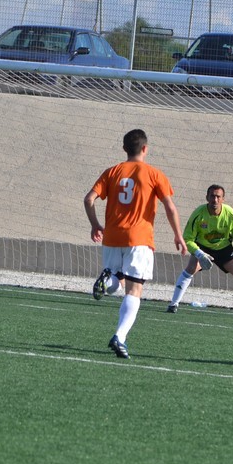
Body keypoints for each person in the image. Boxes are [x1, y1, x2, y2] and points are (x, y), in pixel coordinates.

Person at [85, 129, 185, 360]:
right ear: (145, 149)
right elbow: (170, 207)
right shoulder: (154, 174)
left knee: (117, 282)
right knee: (134, 290)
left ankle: (107, 281)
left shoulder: (112, 172)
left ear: (124, 149)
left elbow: (89, 199)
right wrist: (178, 235)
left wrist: (95, 225)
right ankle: (119, 336)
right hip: (139, 239)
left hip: (112, 237)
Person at [166, 185, 233, 321]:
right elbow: (187, 239)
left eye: (218, 196)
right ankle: (173, 304)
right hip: (203, 248)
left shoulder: (231, 215)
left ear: (223, 199)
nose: (215, 200)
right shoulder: (198, 214)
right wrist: (199, 254)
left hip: (224, 249)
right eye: (212, 196)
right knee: (190, 268)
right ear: (207, 197)